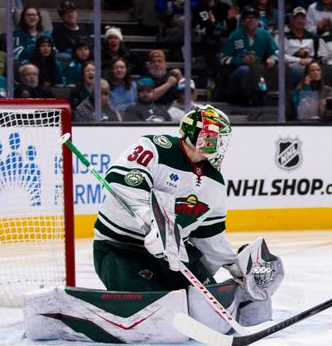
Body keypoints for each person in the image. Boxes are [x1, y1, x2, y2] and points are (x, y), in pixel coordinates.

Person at [93, 104, 234, 288]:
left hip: (174, 254)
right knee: (145, 305)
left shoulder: (215, 181)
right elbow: (122, 184)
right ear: (197, 135)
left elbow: (209, 235)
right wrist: (152, 221)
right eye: (216, 138)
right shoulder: (155, 148)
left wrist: (234, 264)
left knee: (209, 299)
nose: (221, 145)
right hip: (122, 248)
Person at [219, 6, 279, 105]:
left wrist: (272, 59)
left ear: (257, 20)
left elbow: (276, 53)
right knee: (245, 70)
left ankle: (273, 100)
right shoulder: (235, 36)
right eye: (248, 18)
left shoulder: (265, 35)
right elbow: (223, 58)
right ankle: (252, 99)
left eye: (254, 18)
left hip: (260, 69)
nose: (251, 20)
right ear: (242, 21)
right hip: (238, 72)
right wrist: (241, 61)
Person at [282, 6, 317, 84]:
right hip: (289, 66)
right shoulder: (285, 36)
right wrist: (299, 61)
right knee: (299, 70)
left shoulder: (311, 37)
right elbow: (281, 55)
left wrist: (308, 61)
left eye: (302, 18)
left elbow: (312, 55)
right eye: (297, 18)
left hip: (307, 65)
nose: (300, 21)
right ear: (292, 20)